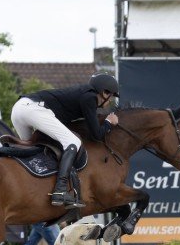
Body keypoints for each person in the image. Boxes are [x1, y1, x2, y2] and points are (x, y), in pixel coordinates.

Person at [10, 73, 120, 209]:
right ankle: (60, 190)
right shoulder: (90, 97)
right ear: (104, 92)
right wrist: (109, 122)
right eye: (111, 97)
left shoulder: (83, 94)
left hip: (19, 110)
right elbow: (96, 135)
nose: (110, 101)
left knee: (32, 153)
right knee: (73, 142)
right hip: (33, 109)